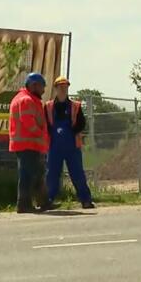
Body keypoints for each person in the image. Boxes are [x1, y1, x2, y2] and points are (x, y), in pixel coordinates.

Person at [45, 76, 95, 209]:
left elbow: (81, 123)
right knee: (52, 174)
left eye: (65, 87)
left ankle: (86, 200)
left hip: (72, 145)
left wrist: (72, 131)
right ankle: (48, 200)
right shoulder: (48, 106)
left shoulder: (75, 106)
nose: (63, 89)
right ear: (55, 88)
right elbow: (45, 125)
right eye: (60, 87)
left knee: (77, 173)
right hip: (54, 146)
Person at [8, 73, 52, 214]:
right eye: (42, 87)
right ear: (34, 85)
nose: (44, 91)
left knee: (32, 174)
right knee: (32, 174)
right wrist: (42, 135)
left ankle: (36, 203)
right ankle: (29, 204)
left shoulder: (26, 98)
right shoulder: (26, 100)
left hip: (27, 145)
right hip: (27, 145)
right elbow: (29, 123)